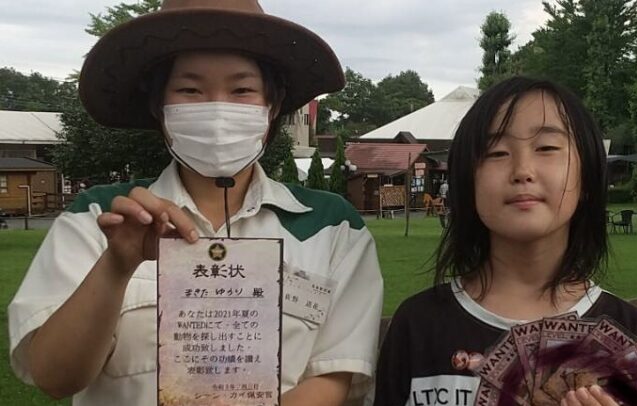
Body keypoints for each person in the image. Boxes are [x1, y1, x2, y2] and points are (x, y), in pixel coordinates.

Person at [8, 1, 383, 405]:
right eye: (190, 89)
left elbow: (333, 375)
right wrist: (116, 266)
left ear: (272, 106)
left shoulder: (332, 225)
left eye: (242, 89)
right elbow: (54, 377)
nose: (218, 108)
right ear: (159, 106)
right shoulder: (99, 216)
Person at [373, 77, 637, 406]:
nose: (523, 170)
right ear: (468, 182)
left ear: (587, 177)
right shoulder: (417, 326)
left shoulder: (630, 332)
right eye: (497, 152)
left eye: (547, 148)